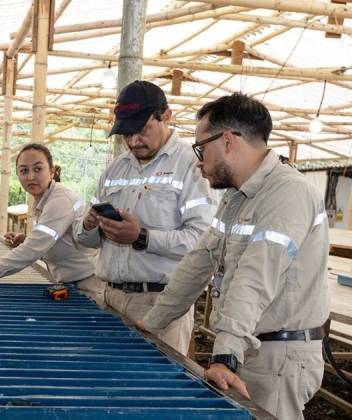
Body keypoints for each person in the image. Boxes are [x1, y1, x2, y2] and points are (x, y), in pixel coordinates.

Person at [139, 93, 328, 420]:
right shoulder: (237, 198)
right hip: (252, 347)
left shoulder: (287, 192)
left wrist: (225, 355)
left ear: (227, 141)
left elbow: (255, 276)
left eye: (201, 148)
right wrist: (150, 325)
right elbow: (199, 261)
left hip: (277, 357)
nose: (198, 160)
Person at [74, 80, 216, 355]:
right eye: (126, 133)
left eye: (141, 130)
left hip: (160, 303)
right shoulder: (116, 168)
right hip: (111, 297)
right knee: (111, 383)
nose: (133, 141)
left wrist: (141, 237)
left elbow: (203, 242)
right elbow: (85, 240)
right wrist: (90, 225)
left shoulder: (192, 166)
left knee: (156, 390)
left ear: (166, 116)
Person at [0, 143, 98, 297]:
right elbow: (48, 240)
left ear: (52, 172)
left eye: (38, 169)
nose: (31, 176)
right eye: (24, 170)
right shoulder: (43, 199)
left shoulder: (60, 201)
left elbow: (31, 250)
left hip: (89, 283)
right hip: (71, 282)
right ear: (18, 174)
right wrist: (26, 239)